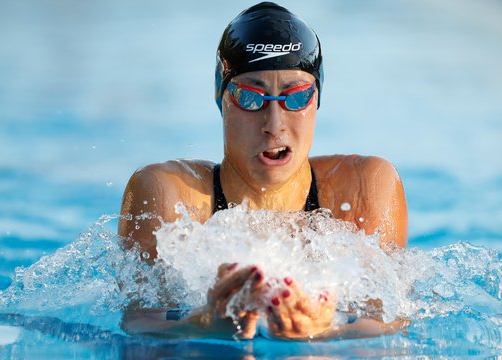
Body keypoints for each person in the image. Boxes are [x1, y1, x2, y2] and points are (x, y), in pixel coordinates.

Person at [118, 2, 408, 340]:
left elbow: (392, 320)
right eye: (251, 97)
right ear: (221, 97)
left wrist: (325, 329)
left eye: (296, 98)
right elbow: (138, 324)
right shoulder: (169, 193)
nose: (274, 125)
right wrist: (201, 325)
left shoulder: (363, 188)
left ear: (317, 99)